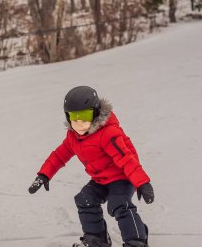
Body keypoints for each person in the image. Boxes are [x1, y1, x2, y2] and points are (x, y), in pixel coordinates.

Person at [28, 86, 154, 247]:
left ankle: (137, 240)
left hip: (122, 177)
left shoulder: (108, 133)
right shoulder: (73, 137)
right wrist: (44, 174)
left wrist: (142, 183)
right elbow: (59, 155)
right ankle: (97, 240)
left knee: (119, 203)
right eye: (74, 118)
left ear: (95, 113)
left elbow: (127, 159)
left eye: (85, 117)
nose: (79, 124)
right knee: (84, 199)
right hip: (101, 180)